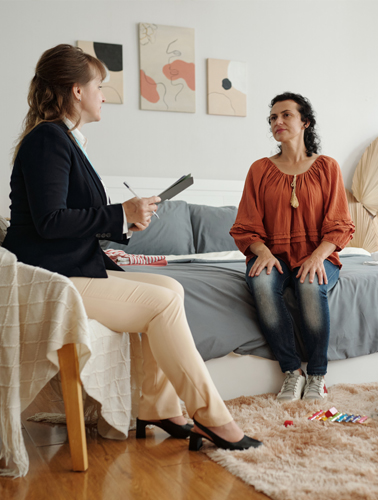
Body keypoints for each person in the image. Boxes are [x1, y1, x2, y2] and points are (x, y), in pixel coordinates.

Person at [2, 44, 261, 451]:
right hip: (51, 278)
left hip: (67, 267)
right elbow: (51, 222)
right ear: (76, 91)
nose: (103, 94)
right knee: (162, 303)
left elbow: (72, 216)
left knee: (172, 289)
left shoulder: (63, 140)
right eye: (99, 85)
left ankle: (156, 406)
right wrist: (119, 213)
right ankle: (213, 417)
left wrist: (126, 220)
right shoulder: (48, 140)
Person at [230, 92, 355, 402]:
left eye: (286, 115)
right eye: (273, 117)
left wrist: (317, 256)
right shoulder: (259, 170)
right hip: (272, 255)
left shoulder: (327, 167)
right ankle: (291, 372)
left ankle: (317, 375)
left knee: (311, 284)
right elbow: (246, 224)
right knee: (260, 281)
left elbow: (340, 223)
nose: (278, 121)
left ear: (305, 122)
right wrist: (262, 252)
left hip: (319, 253)